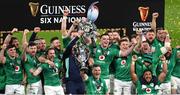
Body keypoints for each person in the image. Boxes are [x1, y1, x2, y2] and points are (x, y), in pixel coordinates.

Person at [62, 30, 86, 94]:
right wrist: (77, 37)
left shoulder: (81, 53)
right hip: (70, 81)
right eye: (73, 36)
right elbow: (69, 46)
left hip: (81, 81)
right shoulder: (66, 54)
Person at [22, 29, 43, 95]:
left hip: (39, 81)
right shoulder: (26, 57)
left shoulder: (36, 57)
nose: (33, 50)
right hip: (31, 83)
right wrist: (24, 34)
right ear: (28, 49)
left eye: (34, 48)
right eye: (31, 48)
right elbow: (24, 45)